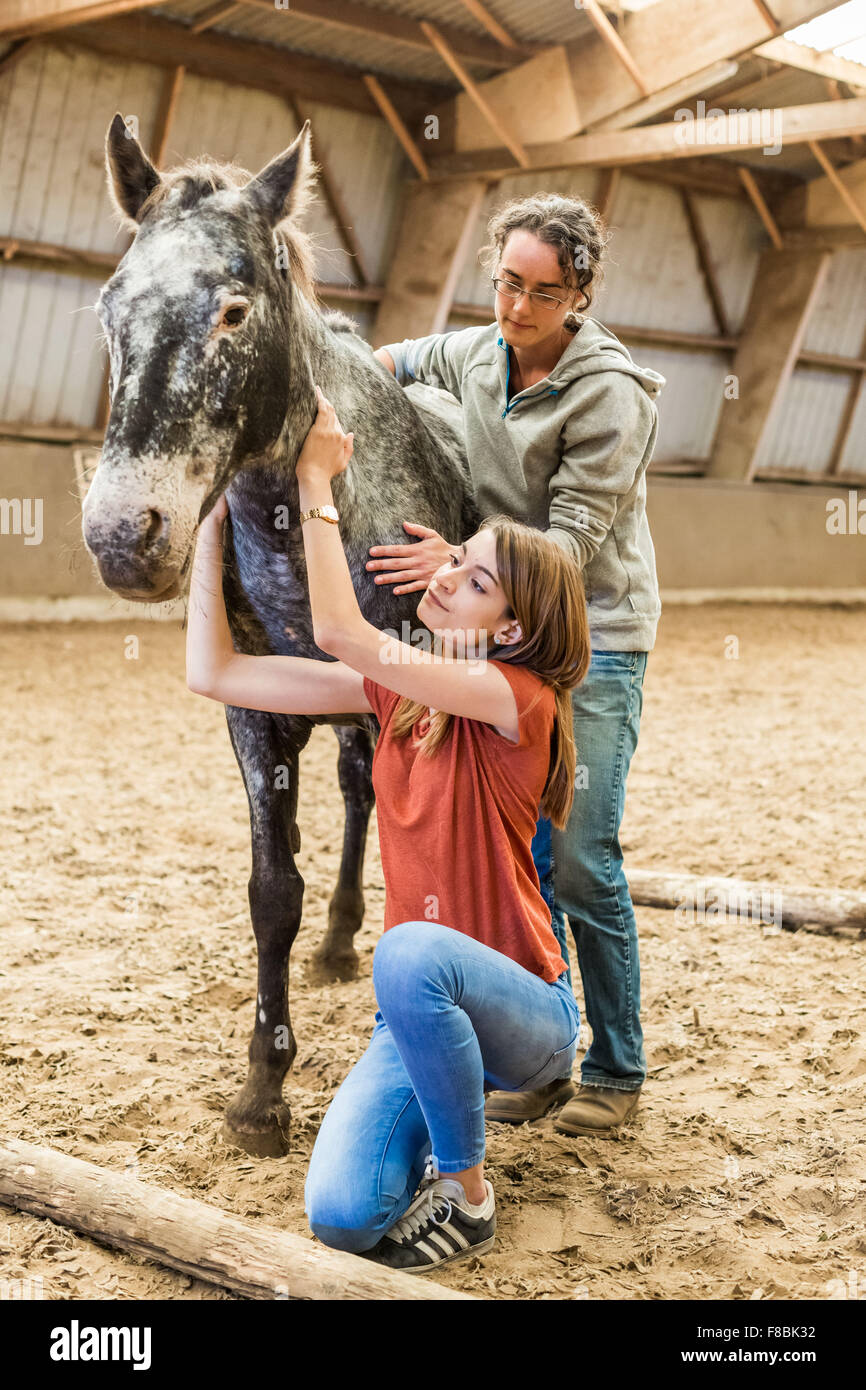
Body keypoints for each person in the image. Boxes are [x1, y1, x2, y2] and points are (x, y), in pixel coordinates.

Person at [185, 386, 590, 1272]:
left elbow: (340, 629)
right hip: (418, 1017)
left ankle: (467, 1195)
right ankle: (434, 1138)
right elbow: (213, 671)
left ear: (511, 629)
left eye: (473, 580)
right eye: (460, 559)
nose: (444, 575)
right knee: (341, 1216)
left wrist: (318, 482)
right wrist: (212, 526)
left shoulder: (517, 699)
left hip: (525, 1017)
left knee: (407, 948)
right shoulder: (399, 696)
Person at [370, 192, 665, 1137]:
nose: (517, 309)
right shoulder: (474, 349)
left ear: (580, 294)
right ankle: (541, 1062)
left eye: (543, 293)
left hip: (596, 636)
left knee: (580, 860)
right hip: (497, 614)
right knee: (520, 852)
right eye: (506, 284)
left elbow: (569, 550)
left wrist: (454, 561)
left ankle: (617, 1069)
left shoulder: (610, 395)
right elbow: (387, 364)